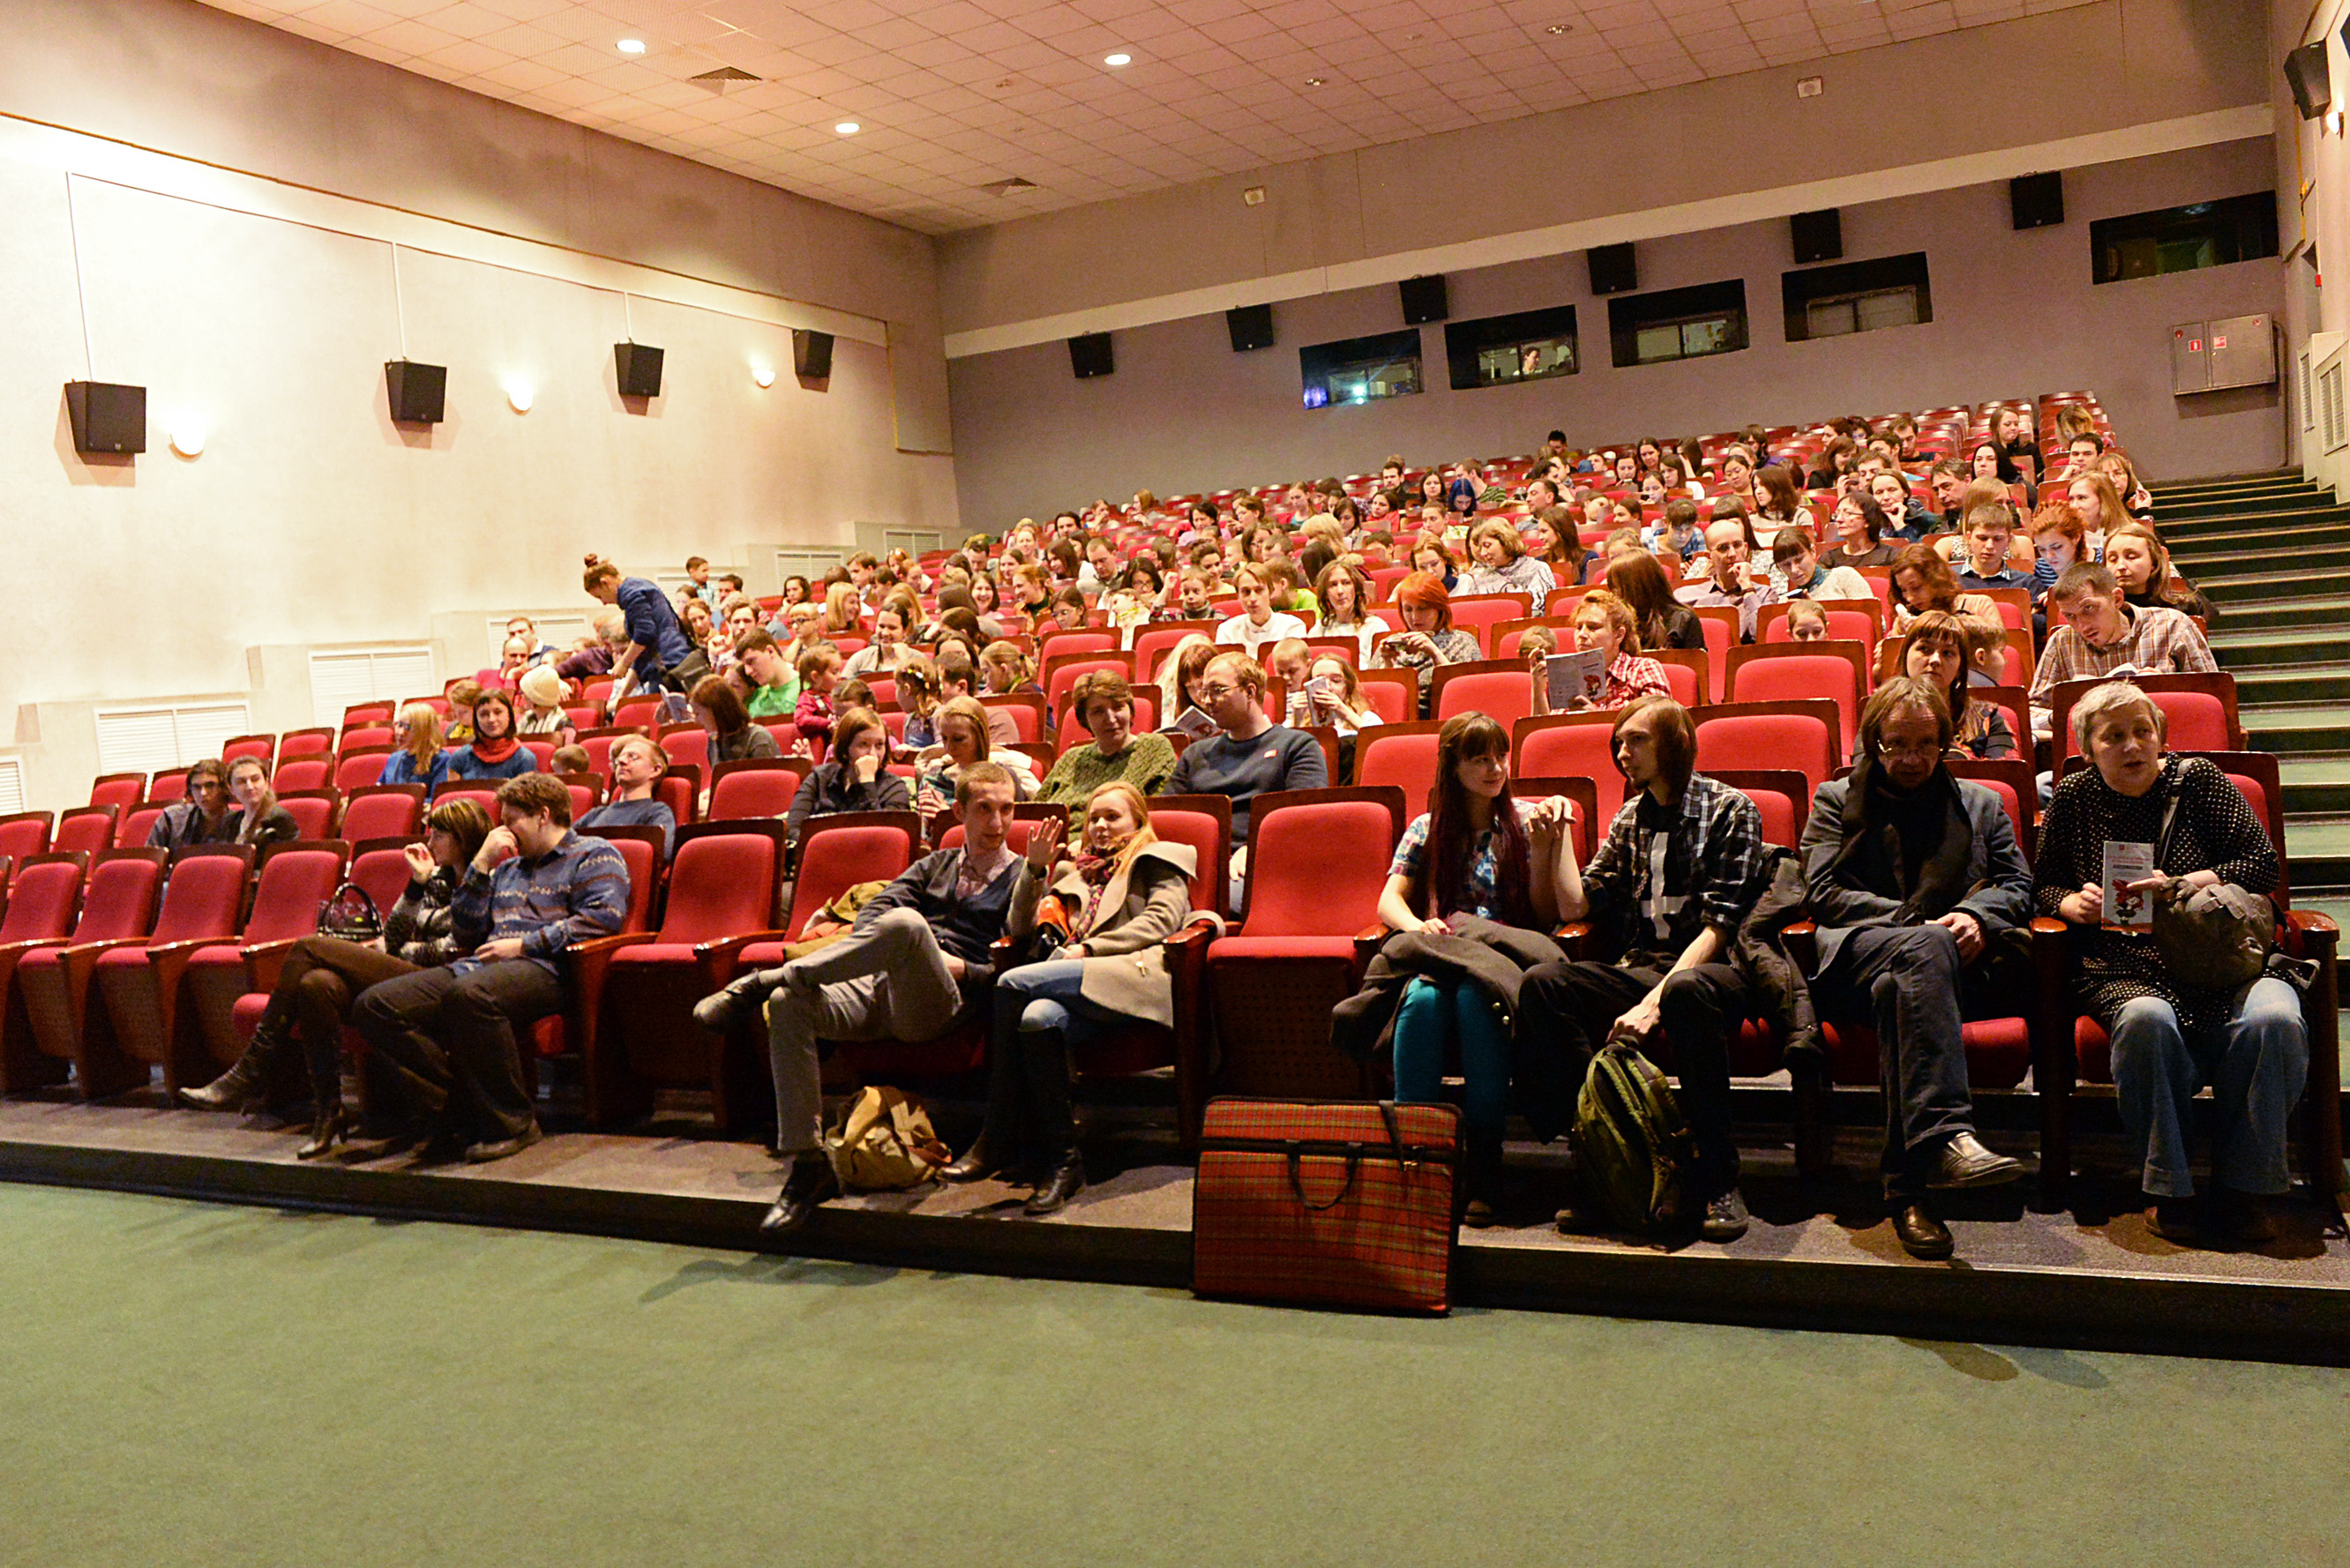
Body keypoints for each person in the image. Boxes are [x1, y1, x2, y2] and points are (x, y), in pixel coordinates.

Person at [698, 765, 1030, 1232]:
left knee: (908, 926)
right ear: (959, 812)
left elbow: (1020, 962)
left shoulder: (1024, 876)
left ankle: (763, 981)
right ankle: (809, 1167)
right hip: (879, 988)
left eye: (1007, 809)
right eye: (985, 810)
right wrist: (894, 944)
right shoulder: (935, 865)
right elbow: (875, 908)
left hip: (940, 1001)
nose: (997, 823)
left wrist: (962, 966)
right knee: (792, 1003)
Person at [2035, 682, 2302, 1246]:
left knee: (2276, 1019)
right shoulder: (2074, 796)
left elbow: (2260, 866)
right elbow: (2039, 887)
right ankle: (2167, 1185)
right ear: (2088, 749)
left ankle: (2249, 1188)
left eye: (2142, 732)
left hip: (2229, 959)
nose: (2132, 745)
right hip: (2123, 964)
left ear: (2160, 737)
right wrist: (2069, 903)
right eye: (2114, 736)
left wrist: (2183, 885)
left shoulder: (2200, 782)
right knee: (2146, 1022)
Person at [1515, 697, 1769, 1242]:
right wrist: (1556, 835)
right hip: (1644, 967)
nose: (1622, 753)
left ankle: (1717, 1176)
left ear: (1674, 743)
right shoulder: (1630, 817)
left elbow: (1720, 928)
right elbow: (1577, 907)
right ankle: (1606, 1159)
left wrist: (1653, 1004)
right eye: (1619, 743)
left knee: (1685, 996)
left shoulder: (1731, 810)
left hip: (1717, 971)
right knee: (1544, 984)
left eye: (1637, 740)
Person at [1798, 679, 2030, 1258]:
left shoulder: (1981, 804)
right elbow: (1823, 893)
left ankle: (1906, 1192)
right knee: (1918, 954)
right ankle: (1949, 1135)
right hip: (1853, 957)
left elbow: (2019, 885)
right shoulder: (1835, 800)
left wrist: (1977, 915)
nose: (1911, 759)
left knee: (1902, 986)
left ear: (1945, 743)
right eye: (1897, 744)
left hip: (1946, 970)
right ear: (1872, 742)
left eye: (1926, 745)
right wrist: (1919, 926)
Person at [179, 799, 494, 1157]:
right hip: (405, 977)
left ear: (463, 838)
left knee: (308, 947)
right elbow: (393, 936)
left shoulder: (482, 883)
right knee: (317, 986)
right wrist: (416, 885)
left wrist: (392, 953)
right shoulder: (435, 880)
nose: (430, 841)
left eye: (439, 834)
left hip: (441, 980)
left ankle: (252, 1069)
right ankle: (329, 1111)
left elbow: (456, 945)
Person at [943, 782, 1201, 1213]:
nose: (1100, 825)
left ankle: (997, 1134)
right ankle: (1065, 1162)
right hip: (1073, 981)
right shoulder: (1073, 872)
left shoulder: (1159, 858)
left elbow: (1161, 921)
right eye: (1093, 817)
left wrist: (1089, 949)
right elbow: (1020, 927)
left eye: (1112, 816)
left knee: (1011, 985)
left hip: (1128, 976)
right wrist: (1035, 870)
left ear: (1138, 820)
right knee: (1037, 1018)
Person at [353, 773, 629, 1161]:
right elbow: (466, 930)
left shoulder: (594, 854)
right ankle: (458, 1110)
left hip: (551, 969)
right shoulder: (506, 869)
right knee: (376, 1005)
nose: (504, 829)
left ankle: (513, 1123)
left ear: (543, 815)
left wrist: (524, 944)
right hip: (480, 967)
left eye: (512, 819)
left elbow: (601, 920)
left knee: (470, 995)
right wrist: (480, 865)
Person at [1372, 713, 1576, 1219]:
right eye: (1479, 758)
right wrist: (1416, 926)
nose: (1494, 768)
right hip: (1447, 950)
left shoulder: (1526, 821)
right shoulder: (1428, 828)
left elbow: (1546, 915)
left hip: (1504, 956)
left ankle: (1485, 1161)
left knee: (1474, 1002)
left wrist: (1549, 846)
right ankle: (1417, 1159)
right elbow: (1389, 902)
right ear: (1453, 766)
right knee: (1419, 1001)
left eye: (1500, 757)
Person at [1164, 650, 1329, 908]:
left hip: (1261, 863)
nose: (1208, 700)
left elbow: (1303, 820)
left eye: (1218, 690)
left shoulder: (1297, 746)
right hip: (1195, 863)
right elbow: (1169, 817)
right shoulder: (1195, 754)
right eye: (1204, 692)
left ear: (1250, 692)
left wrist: (1255, 848)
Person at [2028, 562, 2217, 740]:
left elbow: (2215, 698)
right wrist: (2064, 714)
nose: (2082, 626)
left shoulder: (2173, 625)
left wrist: (2166, 690)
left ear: (2117, 599)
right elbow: (2032, 710)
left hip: (2169, 742)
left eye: (2089, 608)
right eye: (2070, 616)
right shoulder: (2063, 641)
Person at [1035, 670, 1178, 807]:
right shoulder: (1071, 759)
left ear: (1130, 709)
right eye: (1098, 712)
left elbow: (1158, 815)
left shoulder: (1154, 749)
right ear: (1085, 719)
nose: (1110, 718)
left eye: (1117, 707)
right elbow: (1035, 812)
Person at [583, 553, 704, 704]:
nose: (604, 603)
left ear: (605, 583)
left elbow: (645, 635)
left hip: (670, 668)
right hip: (670, 663)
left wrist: (623, 663)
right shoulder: (638, 586)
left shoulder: (631, 594)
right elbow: (642, 654)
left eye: (600, 596)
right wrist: (621, 698)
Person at [1901, 612, 2016, 761]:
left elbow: (2005, 779)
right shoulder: (1881, 713)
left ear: (1960, 666)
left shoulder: (1988, 717)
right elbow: (1863, 776)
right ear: (1906, 655)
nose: (1935, 660)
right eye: (1925, 649)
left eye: (1947, 653)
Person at [786, 707, 911, 841]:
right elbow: (794, 829)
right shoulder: (820, 778)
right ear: (845, 749)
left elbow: (881, 840)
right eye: (864, 745)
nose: (873, 754)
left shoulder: (895, 789)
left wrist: (867, 783)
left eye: (879, 745)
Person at [1538, 590, 1669, 713]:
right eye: (1578, 627)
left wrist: (1597, 718)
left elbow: (1658, 726)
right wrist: (1537, 688)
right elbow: (1544, 732)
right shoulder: (1568, 677)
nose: (1582, 634)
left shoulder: (1643, 669)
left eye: (1593, 627)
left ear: (1619, 635)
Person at [1373, 571, 1480, 718]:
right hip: (1395, 720)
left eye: (1422, 609)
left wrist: (1434, 652)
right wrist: (1387, 663)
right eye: (1408, 609)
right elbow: (1373, 697)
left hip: (1447, 719)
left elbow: (1466, 694)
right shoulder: (1391, 643)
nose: (1414, 617)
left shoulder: (1462, 641)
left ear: (1440, 609)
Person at [915, 695, 1037, 813]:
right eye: (945, 738)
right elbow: (924, 833)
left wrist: (948, 817)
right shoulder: (932, 781)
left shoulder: (1005, 779)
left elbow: (1015, 829)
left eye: (958, 739)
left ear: (979, 736)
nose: (949, 748)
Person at [1676, 515, 1777, 642]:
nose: (1732, 554)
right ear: (1709, 556)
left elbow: (1764, 637)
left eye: (1737, 545)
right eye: (1723, 548)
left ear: (1746, 549)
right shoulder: (1684, 597)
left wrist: (1747, 588)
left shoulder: (1765, 595)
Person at [577, 734, 677, 855]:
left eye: (633, 757)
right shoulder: (595, 814)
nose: (622, 761)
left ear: (655, 770)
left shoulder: (656, 812)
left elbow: (662, 854)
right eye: (620, 758)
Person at [2105, 521, 2212, 622]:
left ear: (2154, 562)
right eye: (2113, 559)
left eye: (2131, 557)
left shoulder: (2183, 607)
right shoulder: (2102, 611)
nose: (2121, 566)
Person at [1888, 543, 2000, 638]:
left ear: (1936, 579)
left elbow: (1998, 644)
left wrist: (1931, 628)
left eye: (1916, 587)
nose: (1910, 598)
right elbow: (1886, 661)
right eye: (1903, 590)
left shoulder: (1980, 605)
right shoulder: (1904, 622)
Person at [1606, 552, 1704, 652]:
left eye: (1617, 589)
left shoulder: (1684, 619)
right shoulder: (1617, 621)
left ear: (1638, 588)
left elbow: (1696, 664)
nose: (1614, 596)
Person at [1215, 564, 1308, 659]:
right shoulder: (1227, 631)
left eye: (1259, 590)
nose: (1253, 598)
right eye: (1246, 592)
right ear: (1238, 596)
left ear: (1271, 592)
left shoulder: (1292, 627)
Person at [1952, 503, 2040, 601]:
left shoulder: (2027, 583)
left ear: (2009, 540)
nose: (1989, 546)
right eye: (1982, 538)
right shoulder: (1949, 580)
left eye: (1998, 539)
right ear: (1968, 538)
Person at [445, 690, 537, 783]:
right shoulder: (460, 757)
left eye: (498, 712)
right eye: (484, 714)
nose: (491, 719)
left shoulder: (524, 758)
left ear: (509, 715)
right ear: (476, 720)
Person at [145, 762, 236, 851]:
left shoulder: (240, 823)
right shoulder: (172, 818)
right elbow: (152, 858)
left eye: (210, 785)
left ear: (225, 788)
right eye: (196, 787)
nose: (203, 793)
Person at [691, 675, 782, 764]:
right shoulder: (713, 740)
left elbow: (766, 778)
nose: (696, 721)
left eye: (698, 714)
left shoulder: (757, 738)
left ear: (716, 711)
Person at [1313, 559, 1390, 663]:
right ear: (1326, 594)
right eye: (1333, 585)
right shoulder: (1320, 629)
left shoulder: (1376, 626)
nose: (1340, 591)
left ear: (1356, 588)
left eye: (1346, 583)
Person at [1456, 519, 1554, 600]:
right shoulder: (1480, 580)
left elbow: (1538, 608)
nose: (1483, 553)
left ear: (1506, 542)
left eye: (1487, 546)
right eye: (1481, 548)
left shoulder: (1537, 569)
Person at [1770, 530, 1872, 601]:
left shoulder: (1844, 577)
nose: (1794, 570)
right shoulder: (1785, 602)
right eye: (1786, 565)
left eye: (1799, 560)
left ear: (1813, 552)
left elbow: (1878, 622)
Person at [224, 755, 300, 847]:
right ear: (231, 789)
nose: (250, 787)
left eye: (255, 779)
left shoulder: (280, 819)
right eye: (241, 782)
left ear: (266, 783)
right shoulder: (231, 821)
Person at [378, 703, 452, 795]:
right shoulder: (394, 758)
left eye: (408, 727)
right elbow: (379, 793)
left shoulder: (441, 759)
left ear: (423, 731)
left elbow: (436, 800)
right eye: (400, 725)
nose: (401, 732)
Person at [1820, 493, 1899, 571]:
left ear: (1868, 520)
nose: (1839, 519)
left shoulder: (1891, 556)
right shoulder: (1829, 559)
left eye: (1848, 513)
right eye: (1837, 514)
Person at [737, 631, 801, 721]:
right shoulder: (755, 696)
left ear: (770, 652)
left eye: (751, 661)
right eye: (744, 666)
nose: (748, 671)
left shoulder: (805, 689)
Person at [840, 601, 914, 679]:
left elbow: (922, 687)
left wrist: (904, 661)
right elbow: (842, 688)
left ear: (905, 631)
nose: (885, 633)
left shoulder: (918, 659)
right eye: (881, 626)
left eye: (892, 628)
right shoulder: (860, 659)